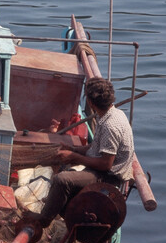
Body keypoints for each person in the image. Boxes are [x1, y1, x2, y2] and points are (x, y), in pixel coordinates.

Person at [32, 77, 134, 228]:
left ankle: (43, 221)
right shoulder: (112, 114)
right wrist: (74, 150)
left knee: (62, 180)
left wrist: (75, 157)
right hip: (102, 168)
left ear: (91, 103)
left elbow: (106, 164)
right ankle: (65, 212)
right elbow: (96, 146)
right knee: (62, 167)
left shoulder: (110, 126)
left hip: (109, 177)